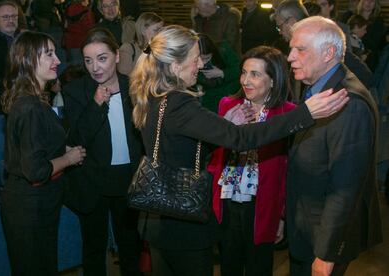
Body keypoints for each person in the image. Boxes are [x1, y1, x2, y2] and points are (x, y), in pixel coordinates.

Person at [129, 24, 348, 276]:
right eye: (195, 58)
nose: (200, 65)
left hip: (158, 222)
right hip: (183, 226)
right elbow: (241, 138)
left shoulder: (154, 96)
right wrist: (306, 112)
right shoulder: (180, 104)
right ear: (176, 66)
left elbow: (180, 147)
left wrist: (224, 127)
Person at [286, 16, 382, 276]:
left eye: (300, 49)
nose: (290, 57)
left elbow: (345, 186)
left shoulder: (348, 103)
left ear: (328, 53)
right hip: (305, 227)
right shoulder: (316, 85)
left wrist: (326, 254)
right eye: (291, 48)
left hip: (322, 239)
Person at [0, 31, 86, 276]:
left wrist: (61, 149)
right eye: (48, 54)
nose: (57, 60)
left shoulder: (31, 101)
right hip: (30, 207)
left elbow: (32, 147)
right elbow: (36, 170)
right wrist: (68, 159)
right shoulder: (31, 108)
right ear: (27, 60)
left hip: (35, 203)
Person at [208, 46, 295, 275]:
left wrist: (282, 215)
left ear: (274, 80)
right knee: (229, 265)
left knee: (259, 267)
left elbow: (287, 170)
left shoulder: (288, 113)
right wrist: (226, 127)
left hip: (263, 205)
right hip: (227, 199)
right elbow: (215, 156)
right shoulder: (227, 104)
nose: (246, 80)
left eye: (255, 74)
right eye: (244, 72)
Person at [63, 27, 143, 276]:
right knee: (94, 248)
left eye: (102, 58)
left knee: (131, 247)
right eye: (88, 60)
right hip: (92, 181)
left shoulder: (135, 88)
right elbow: (76, 138)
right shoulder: (75, 91)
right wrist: (96, 104)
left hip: (128, 179)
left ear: (117, 56)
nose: (95, 67)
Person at [196, 33, 240, 113]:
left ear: (213, 51)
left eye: (207, 58)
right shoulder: (191, 57)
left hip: (228, 94)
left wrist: (222, 73)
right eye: (200, 59)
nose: (203, 63)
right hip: (208, 98)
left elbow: (240, 69)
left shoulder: (223, 49)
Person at [118, 11, 163, 76]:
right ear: (143, 31)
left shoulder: (156, 49)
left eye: (161, 30)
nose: (160, 33)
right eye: (156, 30)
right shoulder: (127, 48)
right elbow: (124, 78)